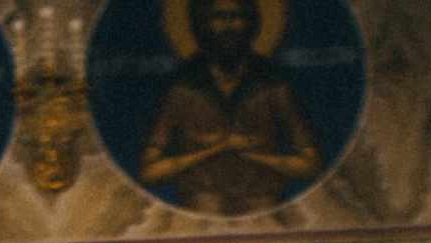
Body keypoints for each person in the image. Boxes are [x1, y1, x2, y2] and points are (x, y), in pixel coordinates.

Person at [136, 0, 323, 215]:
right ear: (202, 24)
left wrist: (251, 154)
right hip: (201, 204)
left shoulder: (270, 83)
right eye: (218, 17)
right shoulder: (185, 85)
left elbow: (311, 165)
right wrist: (216, 148)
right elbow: (148, 171)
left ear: (251, 22)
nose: (228, 26)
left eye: (236, 16)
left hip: (262, 202)